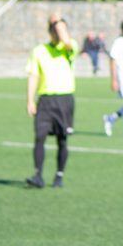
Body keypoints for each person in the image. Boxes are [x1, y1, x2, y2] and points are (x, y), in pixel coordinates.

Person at [25, 16, 78, 189]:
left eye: (62, 30)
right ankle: (38, 175)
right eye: (54, 29)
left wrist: (60, 25)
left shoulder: (69, 48)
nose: (58, 32)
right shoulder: (39, 50)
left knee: (62, 140)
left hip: (65, 99)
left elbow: (66, 41)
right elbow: (33, 75)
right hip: (46, 100)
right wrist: (30, 100)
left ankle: (59, 175)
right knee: (39, 136)